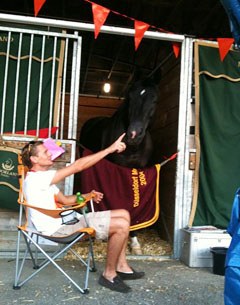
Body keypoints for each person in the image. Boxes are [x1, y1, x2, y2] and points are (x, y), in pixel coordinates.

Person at [21, 134, 144, 293]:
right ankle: (109, 274)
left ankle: (121, 266)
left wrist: (88, 195)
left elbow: (65, 200)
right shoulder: (38, 179)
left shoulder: (40, 179)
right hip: (58, 230)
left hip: (68, 221)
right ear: (34, 160)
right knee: (120, 226)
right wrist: (109, 150)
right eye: (45, 152)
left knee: (124, 214)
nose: (50, 153)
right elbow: (77, 166)